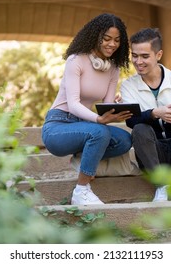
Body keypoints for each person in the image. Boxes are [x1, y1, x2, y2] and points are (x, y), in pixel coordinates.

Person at [41, 13, 133, 205]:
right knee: (99, 132)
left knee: (124, 140)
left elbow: (104, 108)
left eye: (117, 40)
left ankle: (84, 160)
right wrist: (99, 120)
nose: (112, 44)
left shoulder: (113, 68)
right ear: (95, 37)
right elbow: (73, 103)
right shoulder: (76, 60)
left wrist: (115, 109)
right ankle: (81, 190)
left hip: (86, 125)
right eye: (106, 39)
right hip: (59, 125)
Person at [120, 28, 171, 202]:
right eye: (134, 55)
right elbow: (131, 121)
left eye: (144, 56)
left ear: (158, 55)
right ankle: (161, 187)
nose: (138, 61)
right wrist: (154, 113)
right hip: (151, 154)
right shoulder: (128, 85)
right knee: (140, 129)